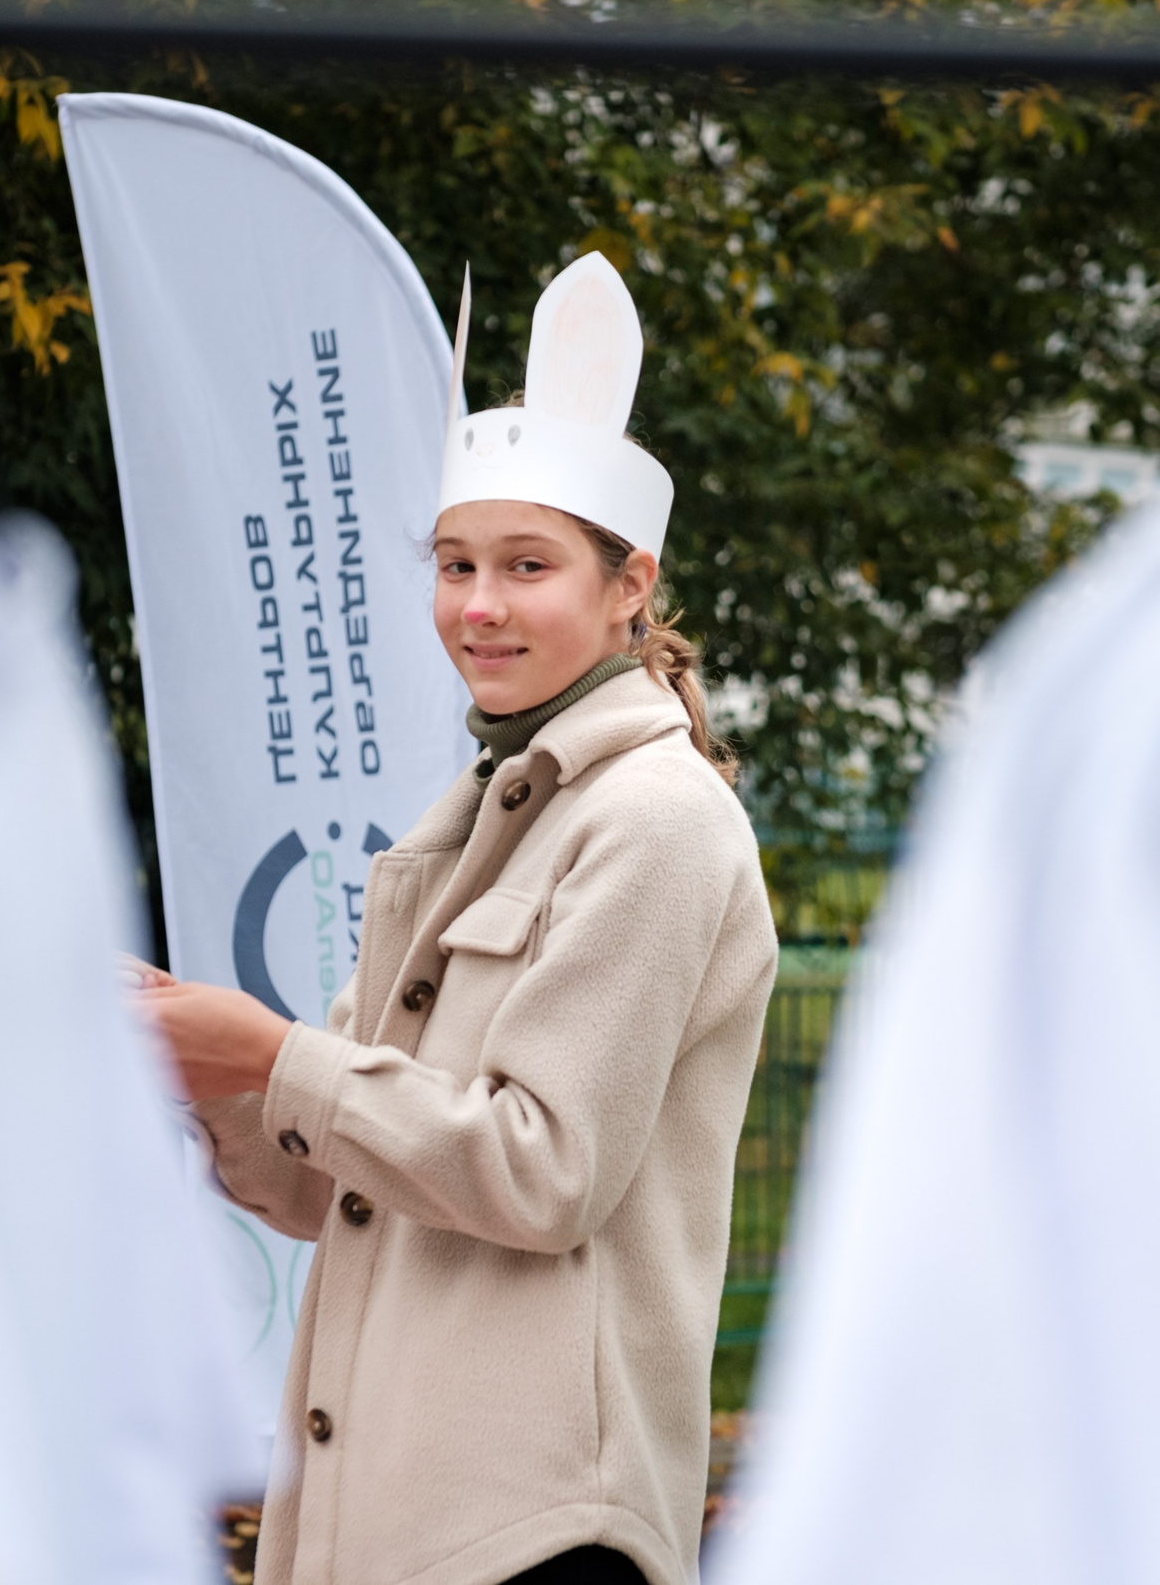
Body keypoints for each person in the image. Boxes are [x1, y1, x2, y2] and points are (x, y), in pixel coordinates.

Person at [132, 252, 776, 1585]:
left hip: (533, 1535)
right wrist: (194, 1072)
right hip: (392, 1530)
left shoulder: (654, 817)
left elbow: (539, 1170)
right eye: (457, 563)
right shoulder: (480, 815)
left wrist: (265, 1055)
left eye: (527, 565)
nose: (479, 607)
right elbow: (335, 1185)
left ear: (628, 584)